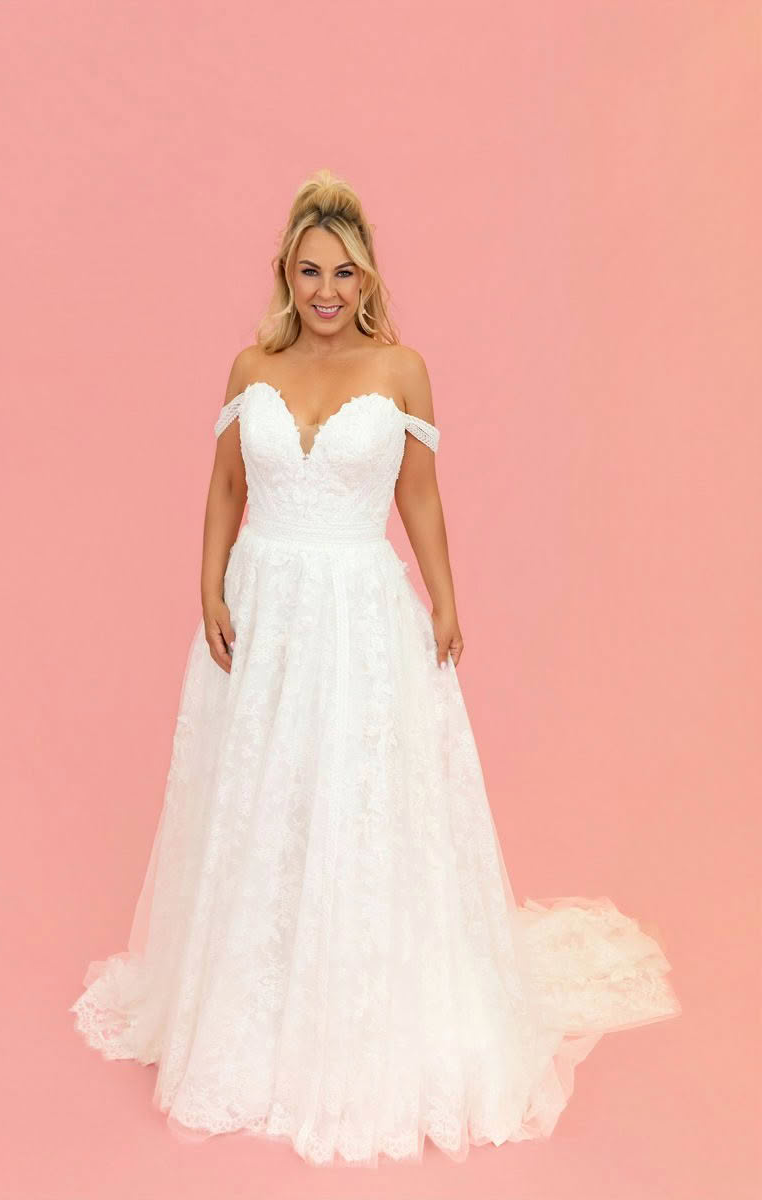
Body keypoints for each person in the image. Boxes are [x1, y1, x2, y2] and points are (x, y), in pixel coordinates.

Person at [69, 168, 681, 1169]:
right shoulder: (248, 366)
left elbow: (420, 497)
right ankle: (251, 999)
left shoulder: (402, 370)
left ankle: (352, 999)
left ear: (367, 279)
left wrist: (445, 597)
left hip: (358, 616)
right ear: (286, 272)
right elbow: (224, 486)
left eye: (343, 273)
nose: (325, 290)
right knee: (262, 799)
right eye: (310, 271)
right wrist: (208, 583)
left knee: (353, 800)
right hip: (266, 612)